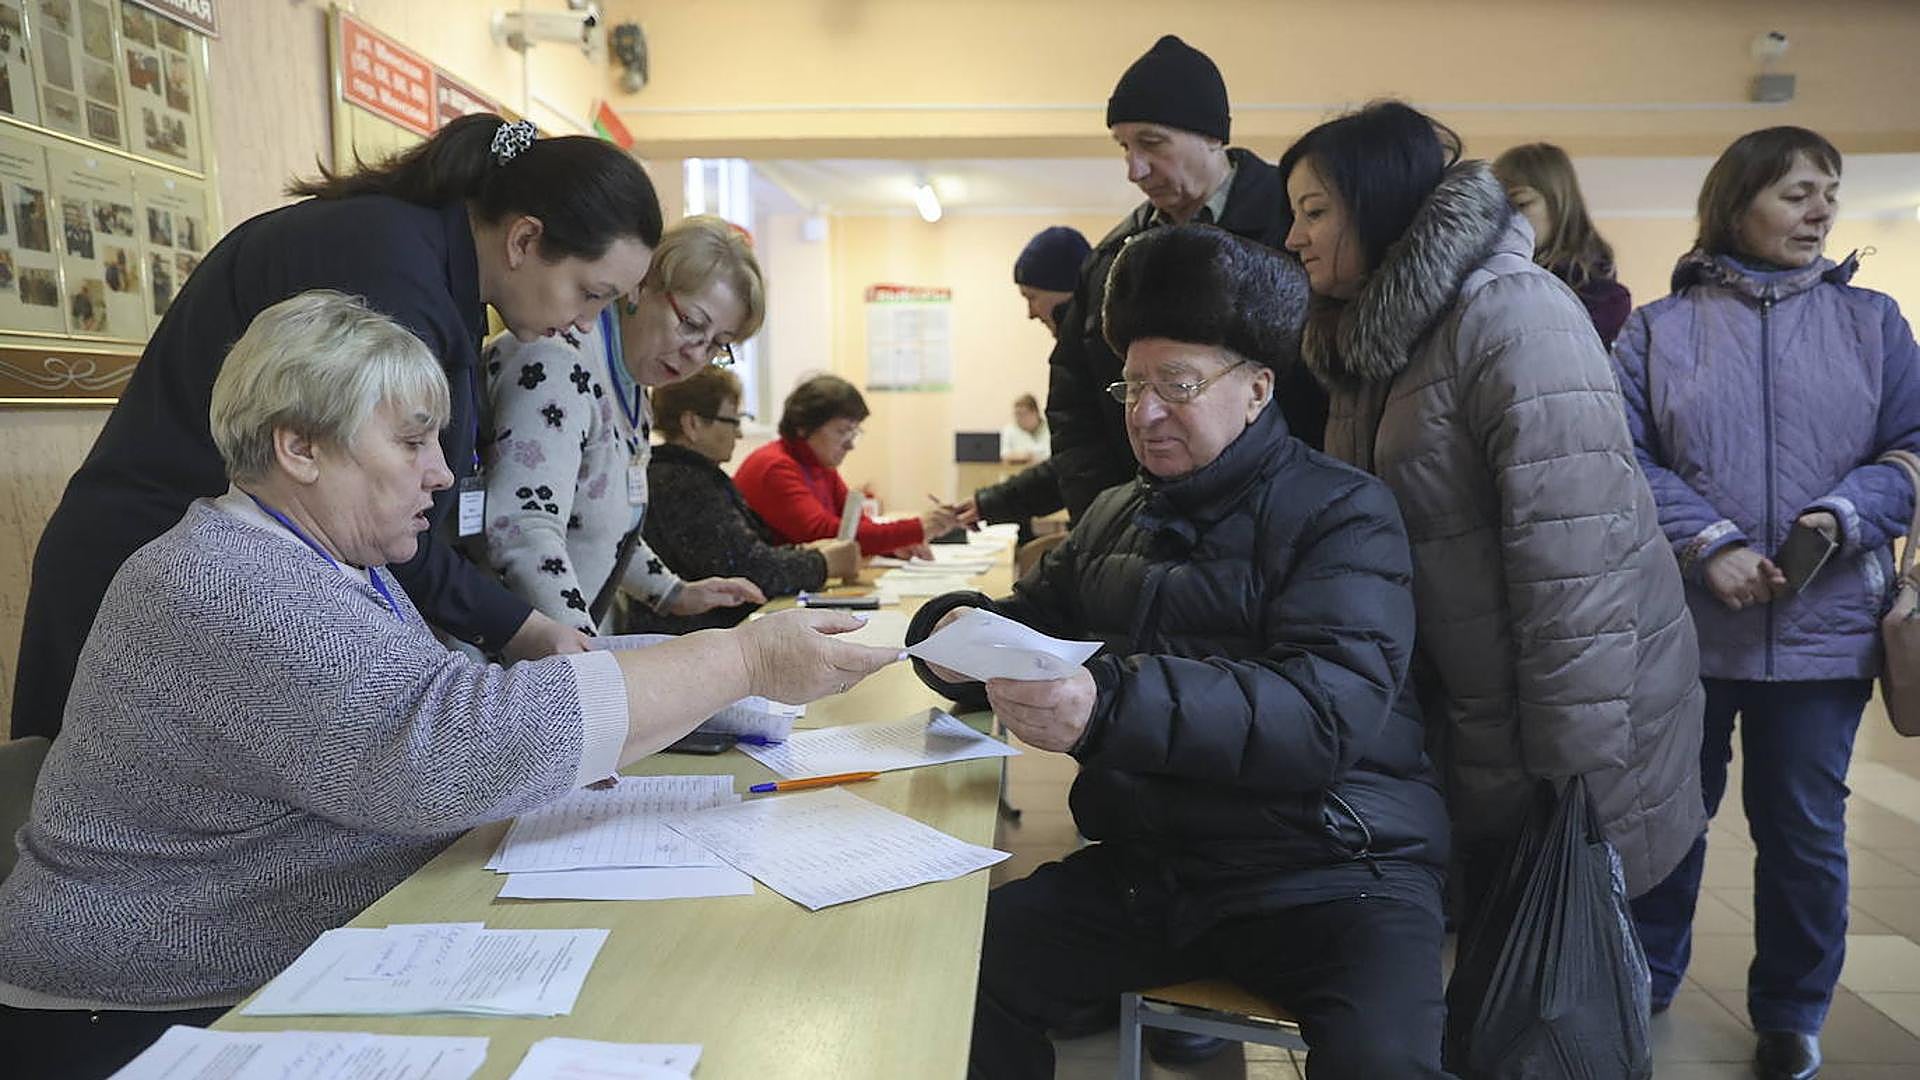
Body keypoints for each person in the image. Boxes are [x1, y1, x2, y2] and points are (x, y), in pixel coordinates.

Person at [0, 293, 900, 1080]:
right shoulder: (231, 583)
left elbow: (447, 694)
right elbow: (449, 743)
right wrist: (740, 662)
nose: (440, 470)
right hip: (133, 1011)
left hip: (250, 970)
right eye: (411, 441)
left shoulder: (323, 559)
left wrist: (706, 692)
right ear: (299, 447)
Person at [910, 226, 1451, 1080]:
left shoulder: (1344, 513)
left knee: (1381, 1063)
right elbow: (1034, 626)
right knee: (951, 975)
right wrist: (952, 634)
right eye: (1132, 384)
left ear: (1258, 390)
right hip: (1158, 871)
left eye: (1179, 384)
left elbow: (1320, 716)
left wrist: (1107, 703)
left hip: (1335, 871)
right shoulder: (1116, 515)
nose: (1144, 411)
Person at [14, 114, 657, 740]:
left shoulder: (420, 258)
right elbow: (375, 510)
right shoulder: (389, 276)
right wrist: (521, 627)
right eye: (590, 293)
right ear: (524, 240)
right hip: (153, 575)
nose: (585, 323)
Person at [1279, 101, 1705, 918]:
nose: (1295, 237)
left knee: (1559, 974)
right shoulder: (1371, 339)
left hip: (1565, 719)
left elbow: (1578, 566)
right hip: (1475, 714)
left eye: (1315, 212)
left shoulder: (1515, 313)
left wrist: (1566, 781)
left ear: (1380, 202)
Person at [1614, 126, 1920, 1080]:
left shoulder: (1875, 322)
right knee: (1668, 820)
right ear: (1736, 201)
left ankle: (1791, 1012)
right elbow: (1623, 459)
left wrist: (1842, 514)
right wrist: (1712, 545)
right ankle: (1645, 985)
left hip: (1826, 636)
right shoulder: (1658, 329)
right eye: (1796, 193)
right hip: (1687, 629)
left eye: (1829, 191)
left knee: (1803, 833)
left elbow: (1914, 449)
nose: (1821, 209)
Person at [1037, 34, 1327, 522]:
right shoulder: (1111, 257)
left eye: (1152, 143)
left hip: (1284, 522)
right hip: (1144, 529)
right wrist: (1108, 521)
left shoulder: (1295, 229)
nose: (1134, 168)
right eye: (1124, 147)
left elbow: (1326, 390)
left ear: (1213, 136)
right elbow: (1073, 409)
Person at [478, 215, 766, 636]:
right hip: (503, 655)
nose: (695, 354)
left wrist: (672, 593)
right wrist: (586, 656)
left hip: (555, 645)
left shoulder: (631, 385)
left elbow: (601, 525)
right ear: (641, 284)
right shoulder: (557, 362)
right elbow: (523, 528)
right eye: (691, 324)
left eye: (717, 345)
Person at [628, 365, 860, 634]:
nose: (739, 434)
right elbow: (749, 569)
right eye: (733, 421)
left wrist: (809, 553)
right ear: (692, 424)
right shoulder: (682, 484)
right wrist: (823, 562)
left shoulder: (692, 475)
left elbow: (745, 552)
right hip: (692, 644)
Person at [734, 374, 957, 558]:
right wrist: (918, 527)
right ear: (803, 427)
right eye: (842, 431)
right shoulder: (775, 467)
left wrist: (891, 546)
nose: (850, 444)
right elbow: (826, 536)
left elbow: (855, 524)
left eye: (854, 432)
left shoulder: (818, 463)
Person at [956, 226, 1086, 530]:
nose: (1030, 313)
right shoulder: (1081, 349)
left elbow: (1077, 463)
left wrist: (992, 501)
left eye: (1032, 297)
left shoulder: (1091, 353)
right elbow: (1075, 461)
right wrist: (988, 503)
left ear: (1065, 288)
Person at [1492, 141, 1633, 345]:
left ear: (1559, 204)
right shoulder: (1488, 285)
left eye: (1521, 204)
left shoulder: (1605, 301)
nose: (1506, 219)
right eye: (1496, 208)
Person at [1000, 393, 1050, 465]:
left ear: (1035, 413)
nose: (1019, 418)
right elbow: (1004, 456)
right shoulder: (1009, 430)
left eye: (1023, 414)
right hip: (1018, 472)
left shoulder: (1050, 428)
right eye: (1017, 414)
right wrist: (1027, 456)